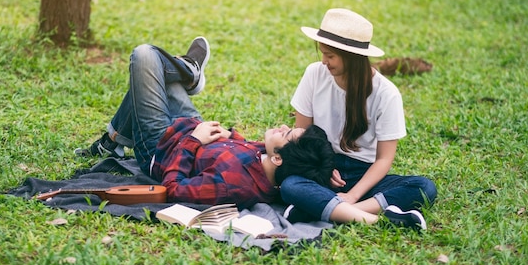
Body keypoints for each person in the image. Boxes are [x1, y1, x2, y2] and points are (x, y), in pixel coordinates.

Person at [74, 38, 334, 210]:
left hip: (159, 146)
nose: (281, 126)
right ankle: (112, 141)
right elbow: (243, 149)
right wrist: (230, 135)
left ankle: (190, 71)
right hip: (188, 124)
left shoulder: (235, 186)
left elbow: (173, 190)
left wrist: (194, 141)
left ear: (279, 159)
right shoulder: (268, 158)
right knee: (150, 78)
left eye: (285, 134)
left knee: (144, 57)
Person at [280, 8, 438, 230]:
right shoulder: (314, 74)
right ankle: (364, 216)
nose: (324, 61)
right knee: (290, 185)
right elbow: (302, 136)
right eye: (323, 53)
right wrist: (322, 167)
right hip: (323, 167)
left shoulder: (386, 93)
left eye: (331, 55)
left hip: (364, 175)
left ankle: (330, 210)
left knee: (424, 187)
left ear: (352, 57)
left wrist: (353, 196)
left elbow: (384, 159)